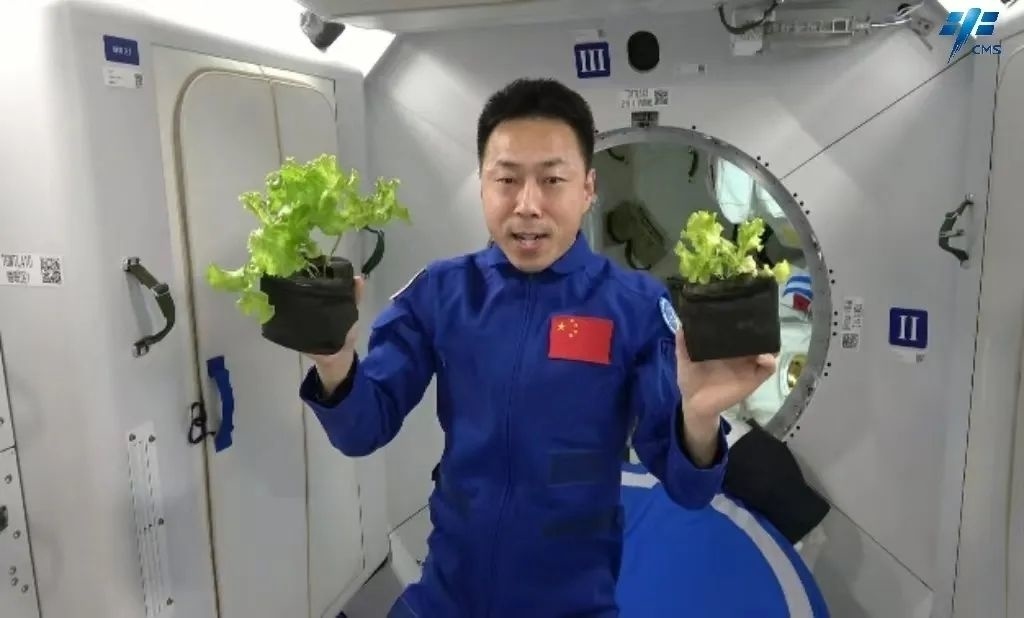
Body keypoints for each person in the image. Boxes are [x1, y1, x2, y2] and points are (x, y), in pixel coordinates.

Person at [300, 77, 778, 618]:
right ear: (482, 185)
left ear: (588, 188)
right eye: (507, 180)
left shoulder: (635, 307)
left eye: (552, 180)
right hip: (447, 594)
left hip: (571, 600)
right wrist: (335, 363)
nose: (527, 205)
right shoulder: (442, 292)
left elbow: (688, 486)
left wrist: (700, 417)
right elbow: (362, 430)